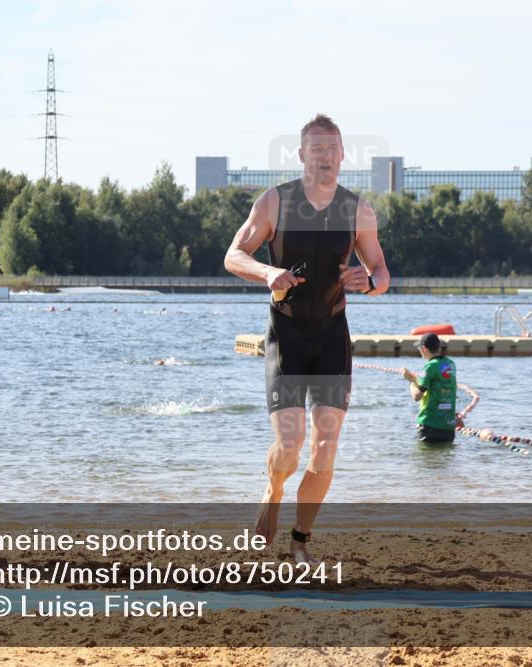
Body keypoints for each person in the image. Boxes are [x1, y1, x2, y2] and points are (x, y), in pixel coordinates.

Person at [223, 114, 390, 563]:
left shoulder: (358, 210)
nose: (324, 157)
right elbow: (233, 255)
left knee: (326, 447)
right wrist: (267, 271)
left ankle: (300, 541)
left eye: (331, 150)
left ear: (342, 155)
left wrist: (368, 281)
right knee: (291, 445)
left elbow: (381, 271)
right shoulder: (275, 202)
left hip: (333, 336)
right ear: (301, 155)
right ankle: (272, 491)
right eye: (315, 150)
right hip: (287, 335)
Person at [400, 333, 457, 444]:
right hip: (448, 426)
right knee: (444, 459)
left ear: (424, 348)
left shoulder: (430, 366)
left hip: (430, 424)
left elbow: (417, 396)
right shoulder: (450, 363)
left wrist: (410, 380)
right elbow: (436, 384)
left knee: (426, 459)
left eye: (419, 348)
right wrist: (416, 379)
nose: (419, 351)